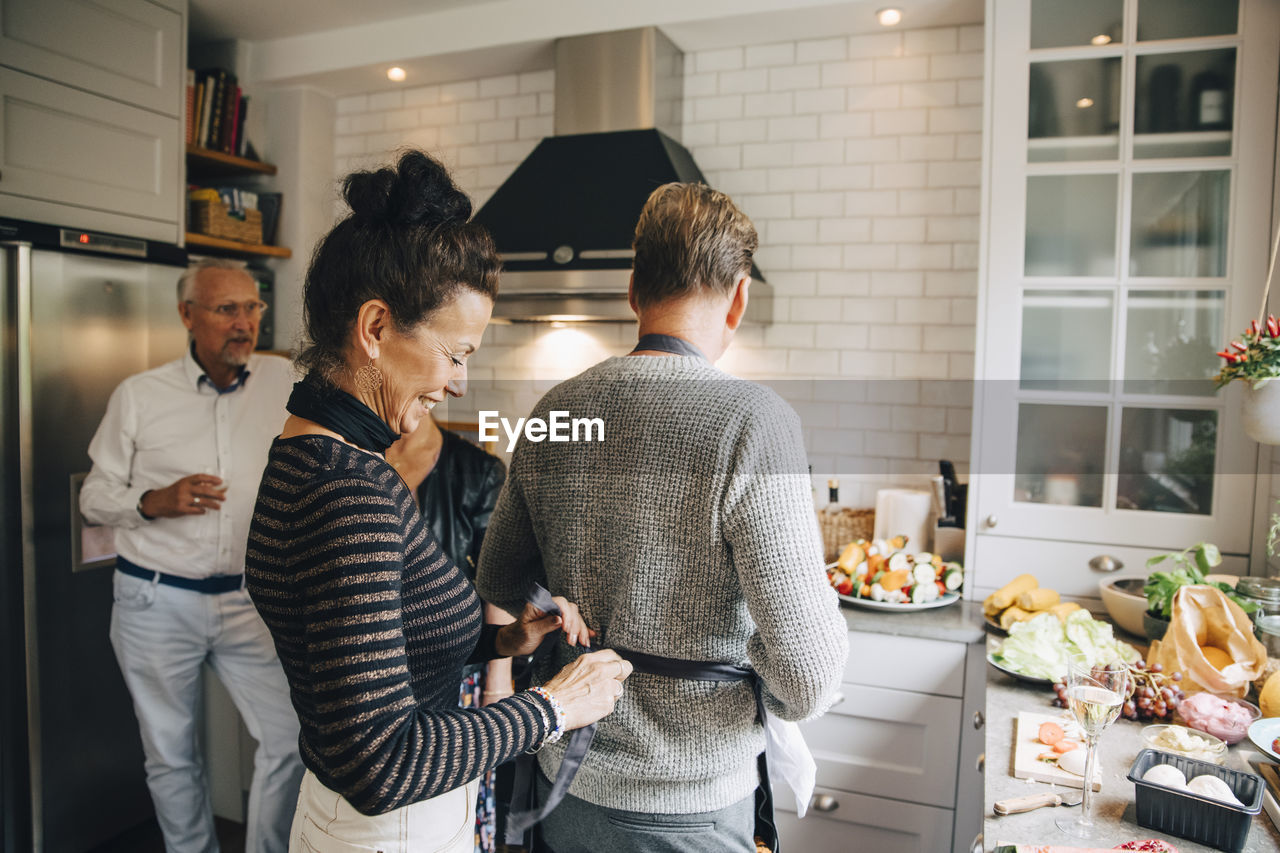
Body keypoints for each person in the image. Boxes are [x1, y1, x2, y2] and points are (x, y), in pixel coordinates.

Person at [243, 149, 631, 853]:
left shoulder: (310, 453)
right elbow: (383, 761)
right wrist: (555, 706)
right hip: (389, 829)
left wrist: (505, 638)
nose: (457, 382)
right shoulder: (347, 493)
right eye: (455, 353)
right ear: (375, 329)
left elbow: (372, 651)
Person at [476, 182, 850, 853]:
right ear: (739, 295)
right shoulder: (754, 424)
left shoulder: (556, 411)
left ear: (632, 290)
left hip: (568, 783)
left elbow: (499, 579)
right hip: (693, 802)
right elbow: (810, 674)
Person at [80, 257, 304, 853]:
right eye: (227, 308)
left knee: (292, 738)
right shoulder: (140, 395)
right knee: (171, 755)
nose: (244, 322)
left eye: (252, 307)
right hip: (155, 600)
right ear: (187, 315)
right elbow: (95, 497)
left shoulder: (284, 383)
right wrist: (153, 500)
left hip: (249, 600)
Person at [388, 415, 516, 853]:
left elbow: (496, 581)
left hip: (457, 667)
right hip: (376, 664)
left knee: (449, 794)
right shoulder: (358, 457)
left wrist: (498, 681)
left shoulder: (477, 471)